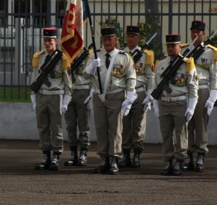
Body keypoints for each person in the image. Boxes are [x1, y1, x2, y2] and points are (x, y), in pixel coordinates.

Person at [83, 27, 137, 175]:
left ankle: (114, 158)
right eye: (105, 39)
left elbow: (131, 76)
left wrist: (131, 95)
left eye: (110, 39)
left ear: (115, 40)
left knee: (115, 129)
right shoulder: (95, 55)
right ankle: (104, 158)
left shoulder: (123, 57)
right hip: (99, 97)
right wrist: (91, 67)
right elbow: (85, 76)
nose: (107, 42)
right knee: (101, 128)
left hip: (116, 96)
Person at [150, 33, 199, 176]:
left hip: (179, 102)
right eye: (169, 46)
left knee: (180, 134)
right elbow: (155, 85)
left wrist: (191, 106)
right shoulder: (161, 64)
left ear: (180, 47)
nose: (171, 49)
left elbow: (192, 87)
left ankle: (179, 160)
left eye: (174, 46)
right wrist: (156, 104)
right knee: (166, 134)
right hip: (164, 102)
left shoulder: (187, 64)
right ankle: (168, 160)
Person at [30, 27, 72, 171]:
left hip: (56, 95)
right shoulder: (38, 57)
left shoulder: (62, 58)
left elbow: (67, 81)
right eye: (46, 40)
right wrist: (33, 98)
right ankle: (45, 155)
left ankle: (56, 156)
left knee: (56, 127)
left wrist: (66, 100)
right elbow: (34, 78)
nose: (47, 43)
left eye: (50, 41)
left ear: (56, 41)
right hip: (42, 94)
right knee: (43, 127)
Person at [182, 20, 217, 172]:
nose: (195, 34)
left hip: (202, 90)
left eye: (198, 32)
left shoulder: (210, 52)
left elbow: (215, 75)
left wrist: (213, 95)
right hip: (186, 90)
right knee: (187, 124)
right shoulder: (185, 50)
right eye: (193, 32)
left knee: (201, 124)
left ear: (203, 34)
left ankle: (201, 155)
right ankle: (188, 155)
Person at [119, 25, 155, 168]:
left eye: (132, 36)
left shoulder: (146, 55)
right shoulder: (121, 54)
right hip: (125, 93)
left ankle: (137, 155)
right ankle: (126, 154)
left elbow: (150, 76)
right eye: (128, 36)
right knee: (125, 124)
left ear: (138, 38)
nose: (130, 39)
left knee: (139, 125)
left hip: (139, 91)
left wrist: (150, 94)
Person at [64, 47, 93, 167]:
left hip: (83, 90)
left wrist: (92, 91)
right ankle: (73, 153)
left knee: (83, 124)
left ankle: (83, 153)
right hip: (69, 91)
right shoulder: (66, 53)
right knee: (70, 125)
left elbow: (93, 74)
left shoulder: (88, 55)